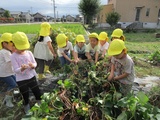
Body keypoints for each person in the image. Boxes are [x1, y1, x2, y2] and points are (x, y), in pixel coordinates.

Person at [10, 31, 42, 115]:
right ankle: (26, 106)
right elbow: (15, 70)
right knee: (25, 94)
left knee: (37, 91)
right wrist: (21, 68)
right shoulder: (13, 56)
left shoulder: (29, 53)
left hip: (31, 77)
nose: (23, 49)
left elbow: (35, 63)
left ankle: (40, 103)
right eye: (21, 47)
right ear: (14, 45)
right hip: (21, 80)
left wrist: (33, 66)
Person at [0, 33, 17, 107]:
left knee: (16, 83)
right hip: (4, 74)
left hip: (9, 72)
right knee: (12, 84)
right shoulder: (5, 52)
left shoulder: (6, 52)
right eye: (11, 43)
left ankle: (12, 95)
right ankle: (7, 100)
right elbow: (13, 61)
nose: (13, 45)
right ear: (4, 43)